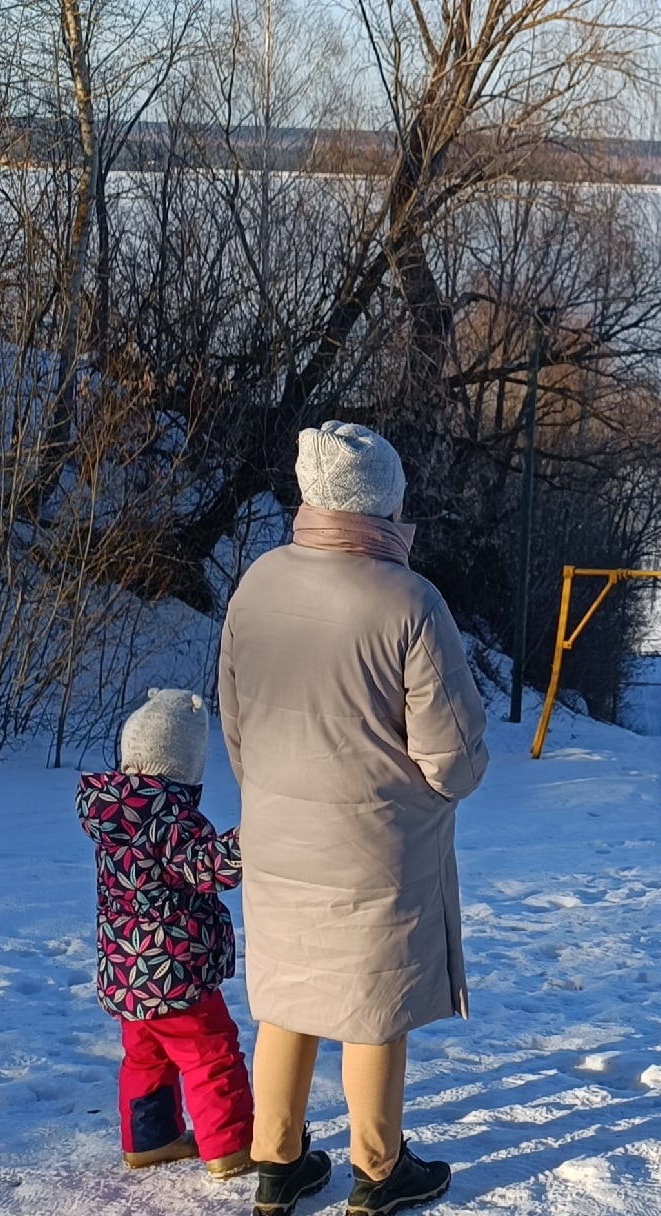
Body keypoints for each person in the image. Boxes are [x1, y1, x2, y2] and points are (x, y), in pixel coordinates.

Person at [220, 422, 490, 1215]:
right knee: (372, 1009)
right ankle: (378, 1172)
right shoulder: (409, 601)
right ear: (387, 502)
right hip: (379, 847)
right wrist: (449, 785)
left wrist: (272, 795)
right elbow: (452, 756)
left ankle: (277, 1164)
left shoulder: (257, 583)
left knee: (287, 998)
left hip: (275, 836)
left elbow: (237, 726)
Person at [75, 688, 254, 1180]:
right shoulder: (169, 817)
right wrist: (256, 834)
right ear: (185, 766)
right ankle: (231, 1145)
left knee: (145, 1056)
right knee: (211, 1051)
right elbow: (208, 868)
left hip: (126, 972)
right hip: (174, 969)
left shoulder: (115, 815)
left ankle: (149, 1141)